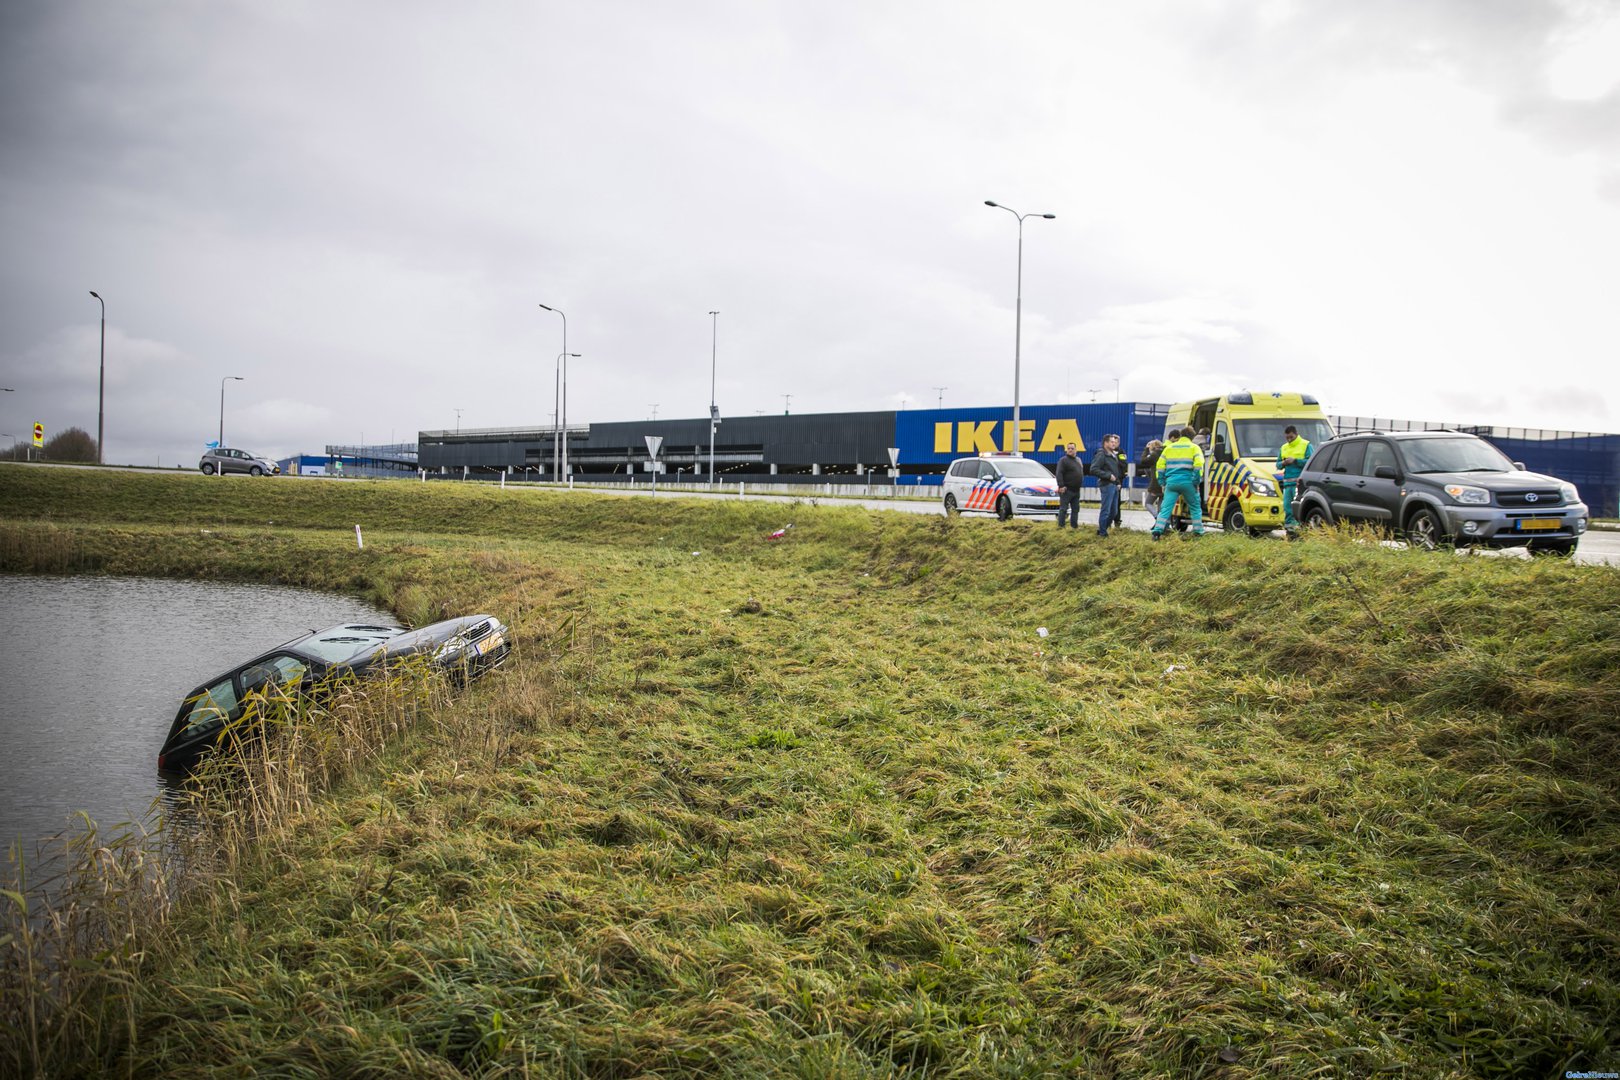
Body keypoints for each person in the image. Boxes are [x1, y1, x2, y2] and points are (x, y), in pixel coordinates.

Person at [1152, 427, 1206, 539]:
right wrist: (1195, 481)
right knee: (1195, 507)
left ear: (1181, 435)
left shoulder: (1169, 448)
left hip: (1171, 483)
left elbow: (1160, 466)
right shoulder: (1194, 448)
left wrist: (1162, 482)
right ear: (1192, 437)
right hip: (1188, 483)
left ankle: (1157, 531)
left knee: (1165, 508)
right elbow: (1199, 465)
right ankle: (1198, 531)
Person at [1275, 423, 1314, 533]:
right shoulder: (1283, 448)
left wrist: (1295, 461)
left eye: (1291, 437)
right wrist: (1283, 462)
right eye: (1287, 437)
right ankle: (1290, 533)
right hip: (1287, 484)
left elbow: (1311, 462)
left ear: (1296, 434)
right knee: (1288, 509)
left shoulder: (1306, 445)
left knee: (1298, 508)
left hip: (1300, 484)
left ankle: (1300, 532)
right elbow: (1277, 465)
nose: (1289, 440)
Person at [1090, 433, 1125, 537]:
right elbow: (1093, 469)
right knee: (1106, 510)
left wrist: (1118, 482)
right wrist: (1108, 476)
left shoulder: (1114, 455)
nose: (1114, 443)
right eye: (1111, 442)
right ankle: (1102, 533)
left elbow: (1116, 471)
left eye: (1115, 442)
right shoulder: (1102, 454)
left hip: (1114, 485)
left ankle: (1102, 528)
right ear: (1105, 443)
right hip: (1106, 484)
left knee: (1114, 511)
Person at [1053, 441, 1085, 529]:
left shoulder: (1078, 460)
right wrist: (1061, 485)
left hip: (1076, 490)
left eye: (1072, 448)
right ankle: (1061, 526)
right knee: (1063, 509)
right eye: (1069, 448)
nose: (1070, 450)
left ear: (1076, 450)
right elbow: (1059, 473)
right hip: (1066, 489)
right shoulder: (1063, 460)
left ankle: (1074, 526)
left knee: (1075, 509)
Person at [1137, 439, 1164, 518]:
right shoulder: (1165, 453)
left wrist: (1146, 449)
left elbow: (1143, 461)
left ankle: (1157, 517)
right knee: (1161, 504)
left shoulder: (1154, 455)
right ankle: (1160, 524)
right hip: (1165, 483)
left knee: (1148, 503)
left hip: (1155, 484)